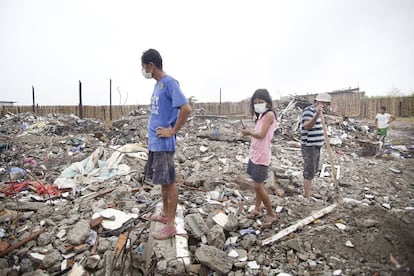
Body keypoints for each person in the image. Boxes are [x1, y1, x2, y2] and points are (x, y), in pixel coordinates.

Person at [141, 49, 192, 240]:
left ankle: (171, 225)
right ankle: (164, 214)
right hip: (155, 143)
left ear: (151, 65)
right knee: (163, 181)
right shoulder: (158, 85)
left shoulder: (170, 83)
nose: (143, 70)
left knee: (170, 182)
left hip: (164, 144)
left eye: (143, 66)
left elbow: (186, 109)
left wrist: (173, 130)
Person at [241, 89, 277, 228]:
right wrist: (250, 130)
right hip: (255, 154)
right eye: (255, 103)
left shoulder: (269, 115)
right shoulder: (262, 116)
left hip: (262, 156)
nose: (257, 105)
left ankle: (271, 214)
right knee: (257, 184)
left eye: (260, 102)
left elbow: (261, 135)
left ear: (267, 102)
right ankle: (257, 209)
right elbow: (259, 133)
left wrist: (248, 132)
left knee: (258, 186)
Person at [300, 93, 331, 199]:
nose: (325, 106)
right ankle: (307, 196)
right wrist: (316, 114)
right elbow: (307, 126)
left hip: (316, 146)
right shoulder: (308, 111)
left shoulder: (319, 112)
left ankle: (309, 192)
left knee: (313, 170)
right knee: (308, 170)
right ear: (317, 102)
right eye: (324, 103)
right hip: (309, 146)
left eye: (326, 104)